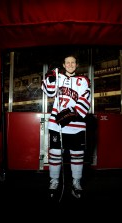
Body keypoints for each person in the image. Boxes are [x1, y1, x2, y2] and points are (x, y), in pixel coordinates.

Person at [41, 53, 91, 199]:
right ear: (63, 65)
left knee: (77, 155)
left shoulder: (84, 80)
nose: (70, 65)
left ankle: (76, 182)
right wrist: (50, 77)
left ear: (76, 64)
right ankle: (54, 181)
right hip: (57, 125)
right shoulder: (58, 77)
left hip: (76, 125)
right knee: (55, 155)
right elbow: (49, 91)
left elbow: (85, 100)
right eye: (67, 62)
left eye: (73, 62)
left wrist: (70, 114)